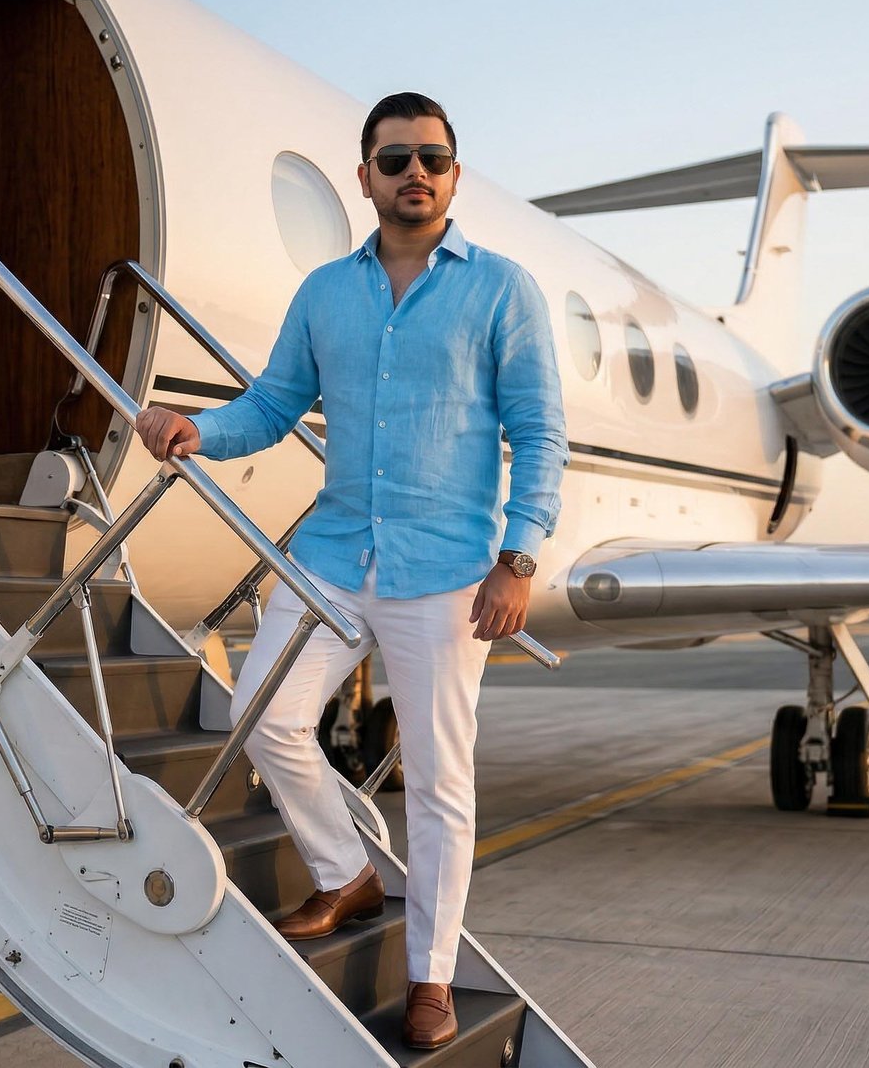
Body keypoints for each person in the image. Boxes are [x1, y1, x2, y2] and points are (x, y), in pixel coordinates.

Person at [133, 91, 565, 1049]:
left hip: (447, 571)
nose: (416, 173)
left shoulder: (503, 290)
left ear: (454, 175)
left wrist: (519, 557)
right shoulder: (326, 292)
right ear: (365, 174)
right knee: (265, 715)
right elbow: (272, 406)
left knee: (441, 783)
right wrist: (196, 427)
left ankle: (431, 977)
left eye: (433, 159)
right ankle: (345, 873)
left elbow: (540, 434)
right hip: (332, 556)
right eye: (396, 158)